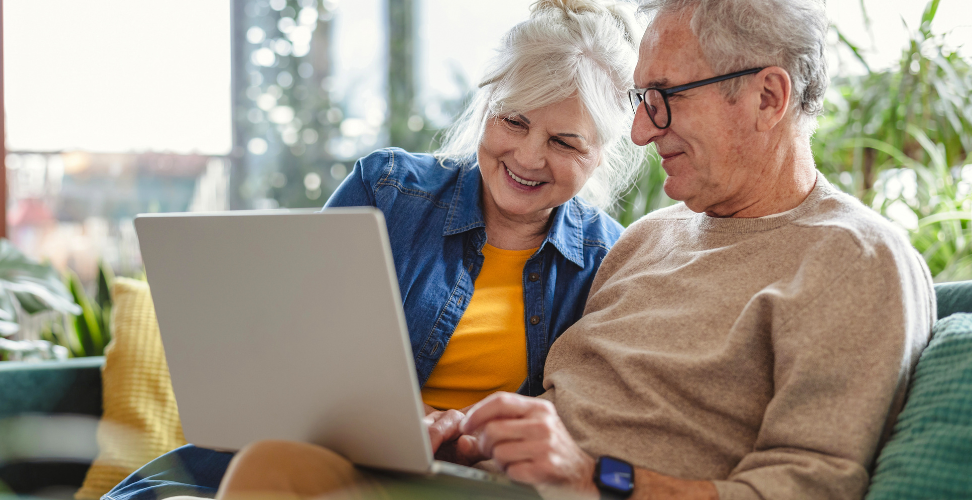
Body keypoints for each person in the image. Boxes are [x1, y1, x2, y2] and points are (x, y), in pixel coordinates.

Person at [200, 0, 936, 499]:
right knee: (277, 465)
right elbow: (558, 406)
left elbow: (808, 486)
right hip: (494, 483)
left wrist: (600, 474)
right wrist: (479, 436)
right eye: (640, 101)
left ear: (769, 97)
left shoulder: (856, 258)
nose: (642, 134)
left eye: (664, 98)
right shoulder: (650, 240)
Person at [103, 1, 642, 499]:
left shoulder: (606, 259)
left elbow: (585, 422)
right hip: (313, 460)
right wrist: (416, 418)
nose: (526, 156)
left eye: (563, 142)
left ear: (601, 154)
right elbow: (294, 358)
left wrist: (468, 435)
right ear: (485, 108)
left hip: (458, 484)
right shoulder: (387, 190)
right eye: (513, 120)